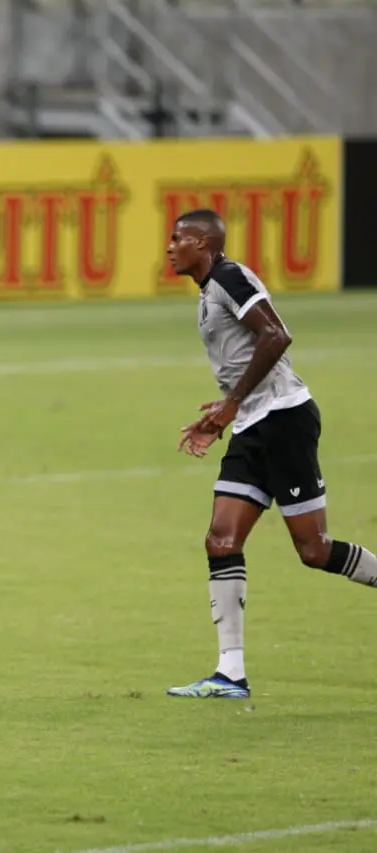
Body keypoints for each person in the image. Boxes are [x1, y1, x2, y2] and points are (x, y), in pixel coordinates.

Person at [167, 209, 377, 700]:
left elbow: (277, 335)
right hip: (252, 426)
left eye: (178, 238)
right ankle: (230, 674)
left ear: (202, 242)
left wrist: (232, 403)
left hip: (283, 418)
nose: (170, 247)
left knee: (314, 550)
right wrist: (226, 410)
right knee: (221, 539)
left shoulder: (228, 277)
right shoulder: (208, 292)